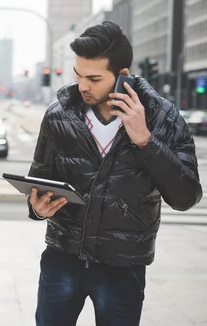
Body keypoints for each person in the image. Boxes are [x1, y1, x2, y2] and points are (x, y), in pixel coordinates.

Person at [28, 20, 202, 326]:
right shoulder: (59, 114)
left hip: (124, 266)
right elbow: (39, 178)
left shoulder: (163, 117)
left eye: (94, 78)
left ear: (123, 77)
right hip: (61, 257)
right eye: (78, 75)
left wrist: (145, 141)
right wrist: (37, 208)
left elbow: (186, 196)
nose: (83, 86)